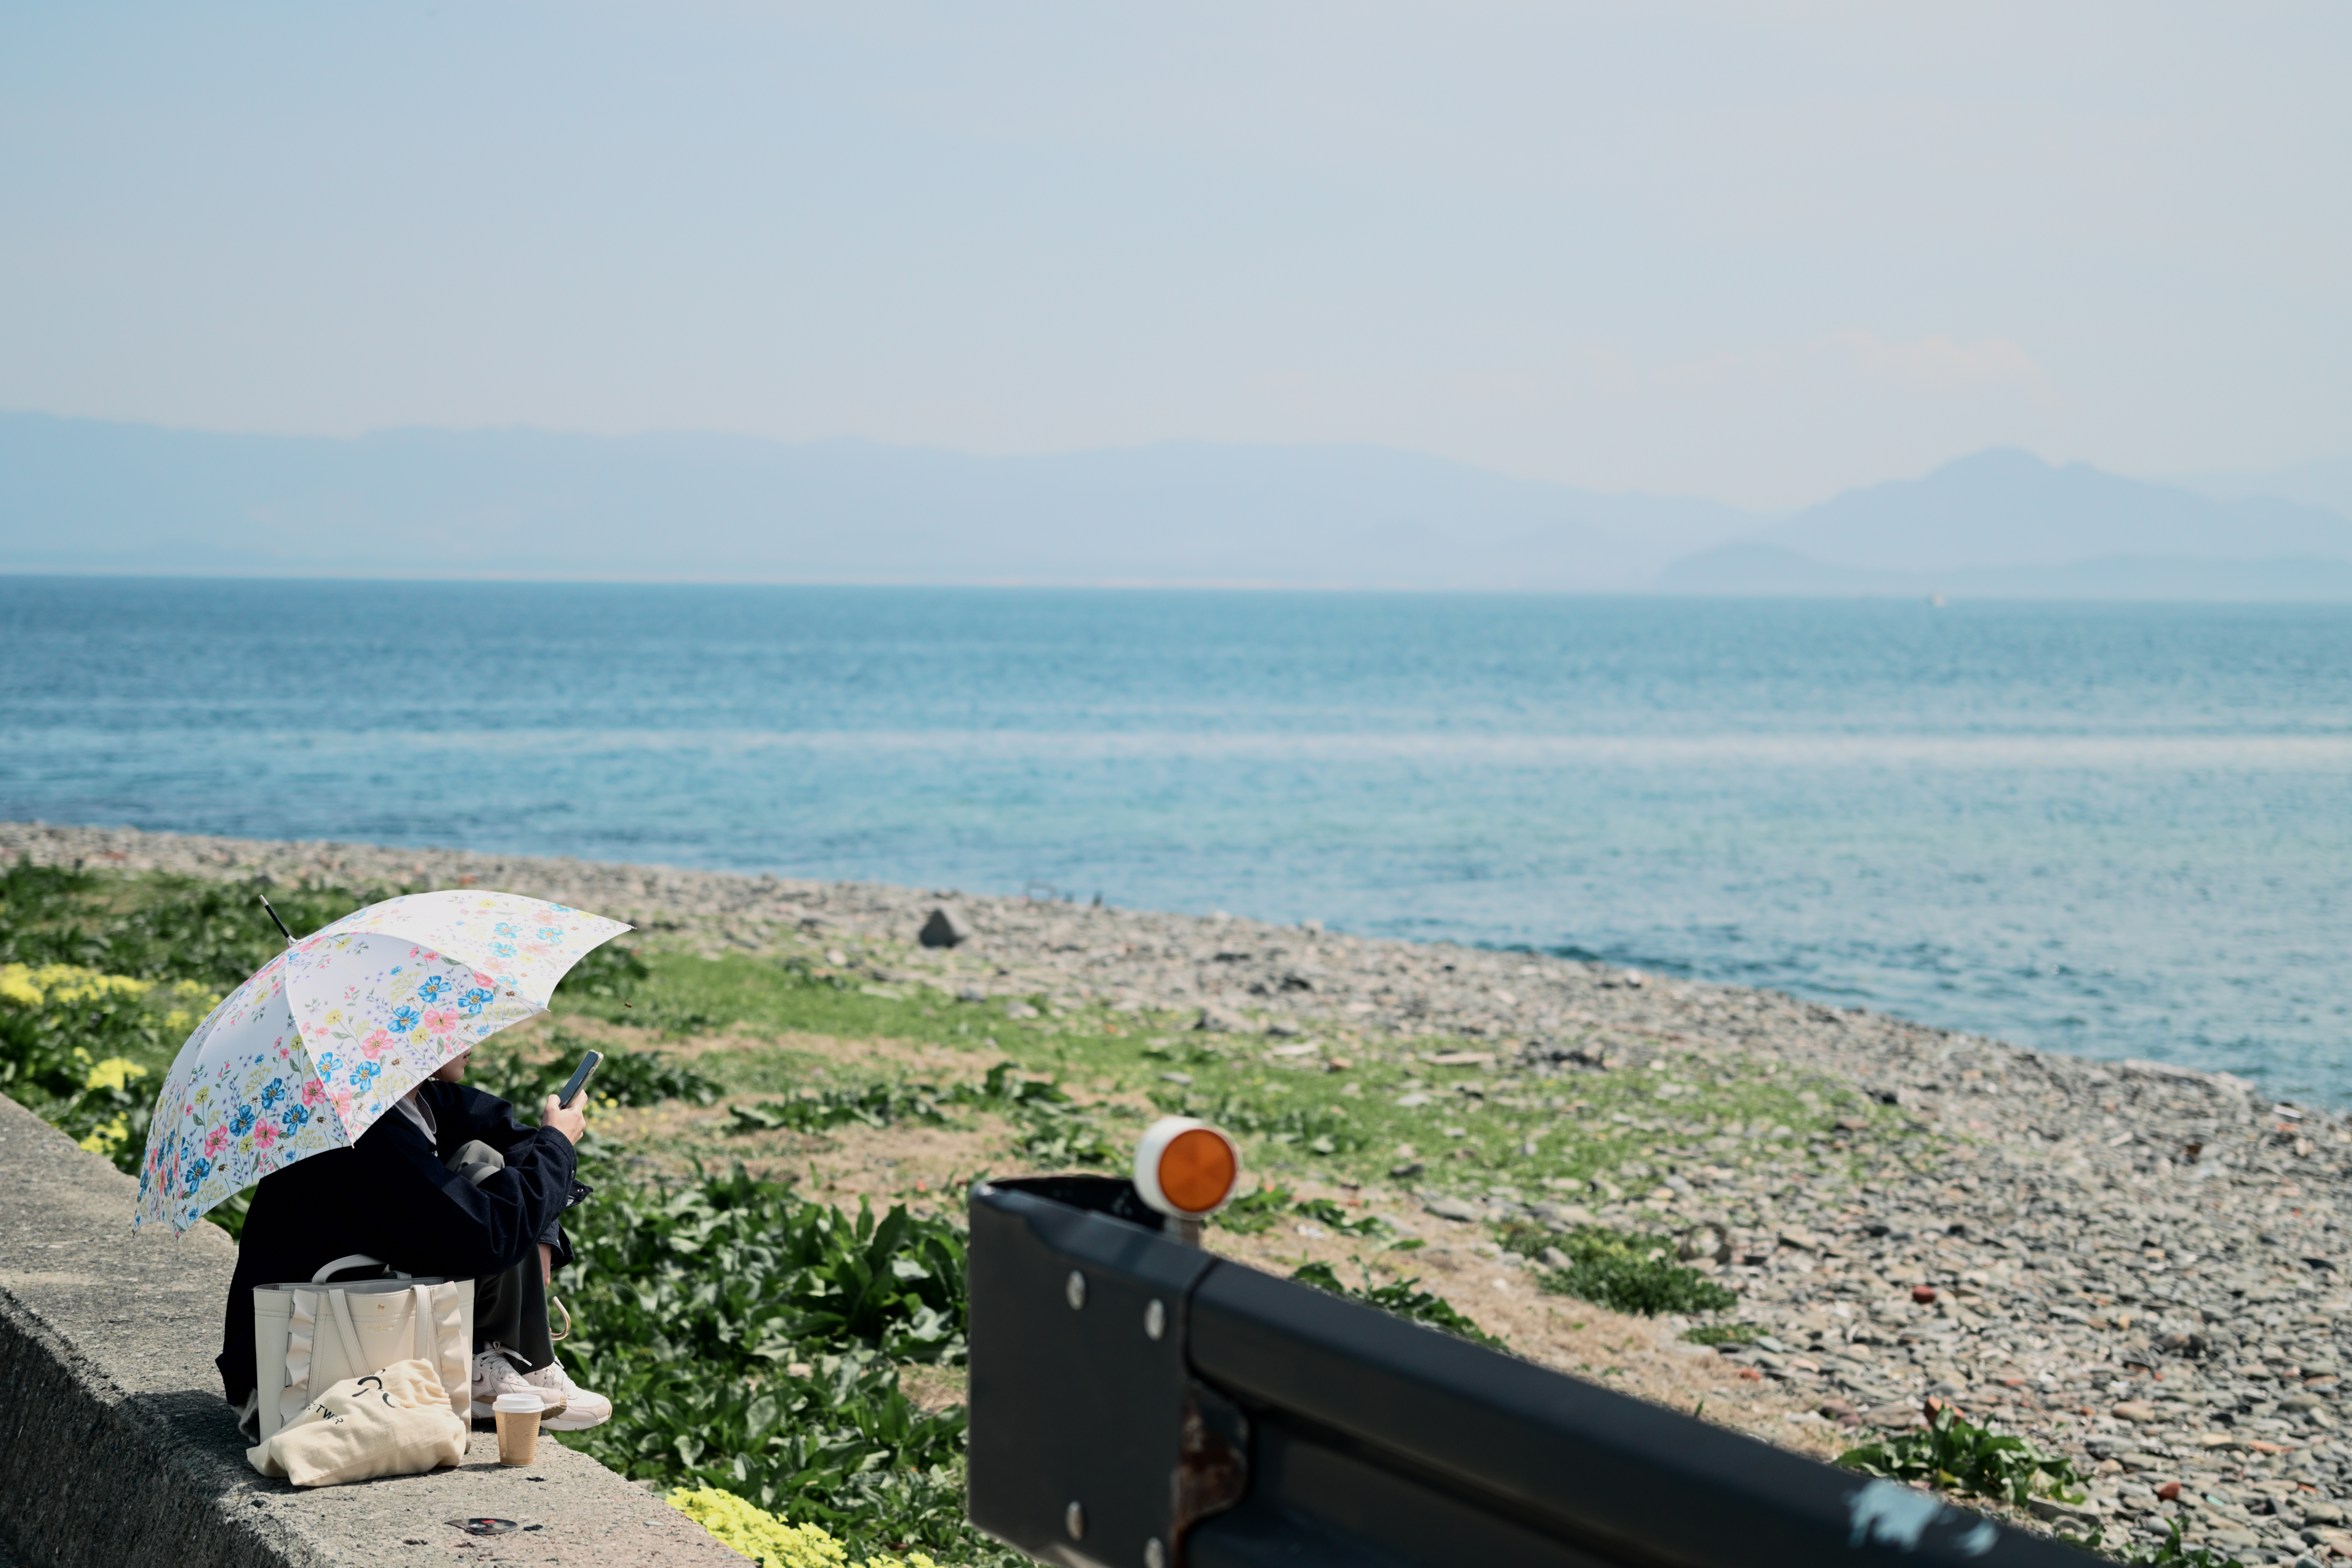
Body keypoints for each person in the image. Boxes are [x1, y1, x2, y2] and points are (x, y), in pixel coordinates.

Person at [216, 1048, 612, 1436]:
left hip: (351, 1320)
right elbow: (492, 1237)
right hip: (293, 1372)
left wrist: (543, 1233)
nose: (470, 1044)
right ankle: (472, 1358)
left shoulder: (414, 1101)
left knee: (483, 1158)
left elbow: (516, 1141)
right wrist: (557, 1143)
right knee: (480, 1195)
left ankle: (525, 1358)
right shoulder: (366, 1136)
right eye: (449, 1028)